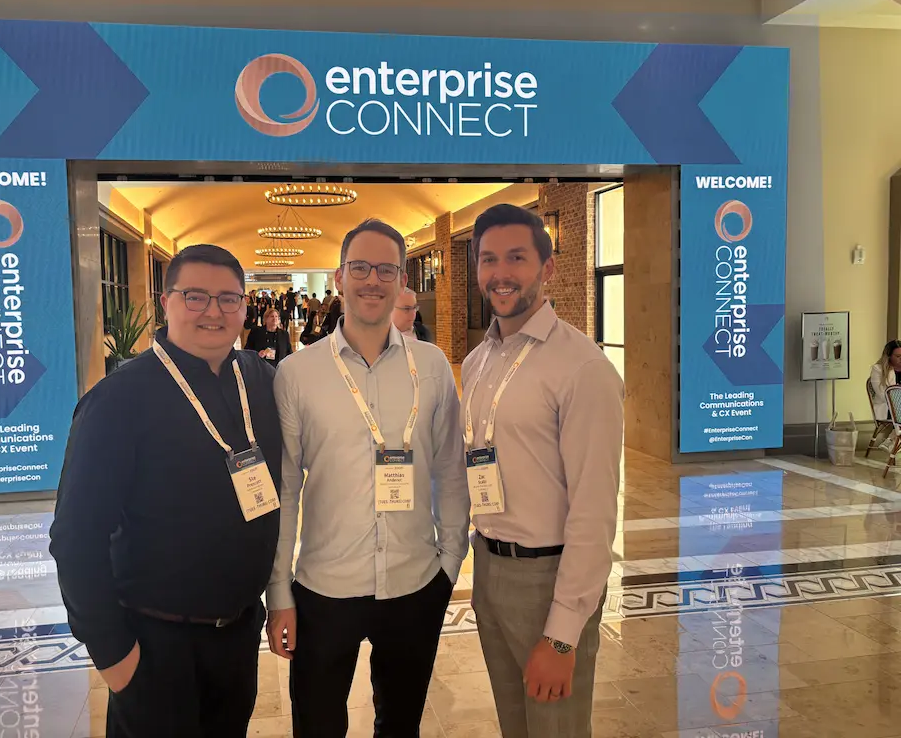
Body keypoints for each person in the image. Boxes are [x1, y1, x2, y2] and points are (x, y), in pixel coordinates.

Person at [49, 245, 283, 738]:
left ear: (245, 306)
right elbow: (75, 537)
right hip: (154, 645)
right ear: (165, 301)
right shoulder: (118, 400)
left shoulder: (261, 381)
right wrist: (114, 655)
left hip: (237, 637)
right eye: (195, 296)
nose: (213, 311)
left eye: (228, 298)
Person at [266, 218, 470, 738]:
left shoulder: (433, 366)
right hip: (324, 588)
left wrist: (449, 563)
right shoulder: (298, 372)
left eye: (386, 269)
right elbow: (285, 488)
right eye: (360, 267)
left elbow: (450, 470)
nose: (372, 280)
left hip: (414, 582)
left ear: (404, 280)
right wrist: (280, 591)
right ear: (339, 277)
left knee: (400, 725)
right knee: (317, 724)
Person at [462, 204, 623, 738]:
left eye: (516, 258)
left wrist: (562, 634)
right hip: (488, 569)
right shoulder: (479, 360)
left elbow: (595, 511)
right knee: (515, 726)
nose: (500, 273)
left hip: (548, 579)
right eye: (488, 259)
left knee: (556, 729)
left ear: (548, 268)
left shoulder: (582, 368)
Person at [871, 340, 901, 448]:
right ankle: (893, 441)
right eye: (898, 356)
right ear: (888, 356)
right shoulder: (878, 369)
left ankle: (891, 440)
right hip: (888, 407)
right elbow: (882, 395)